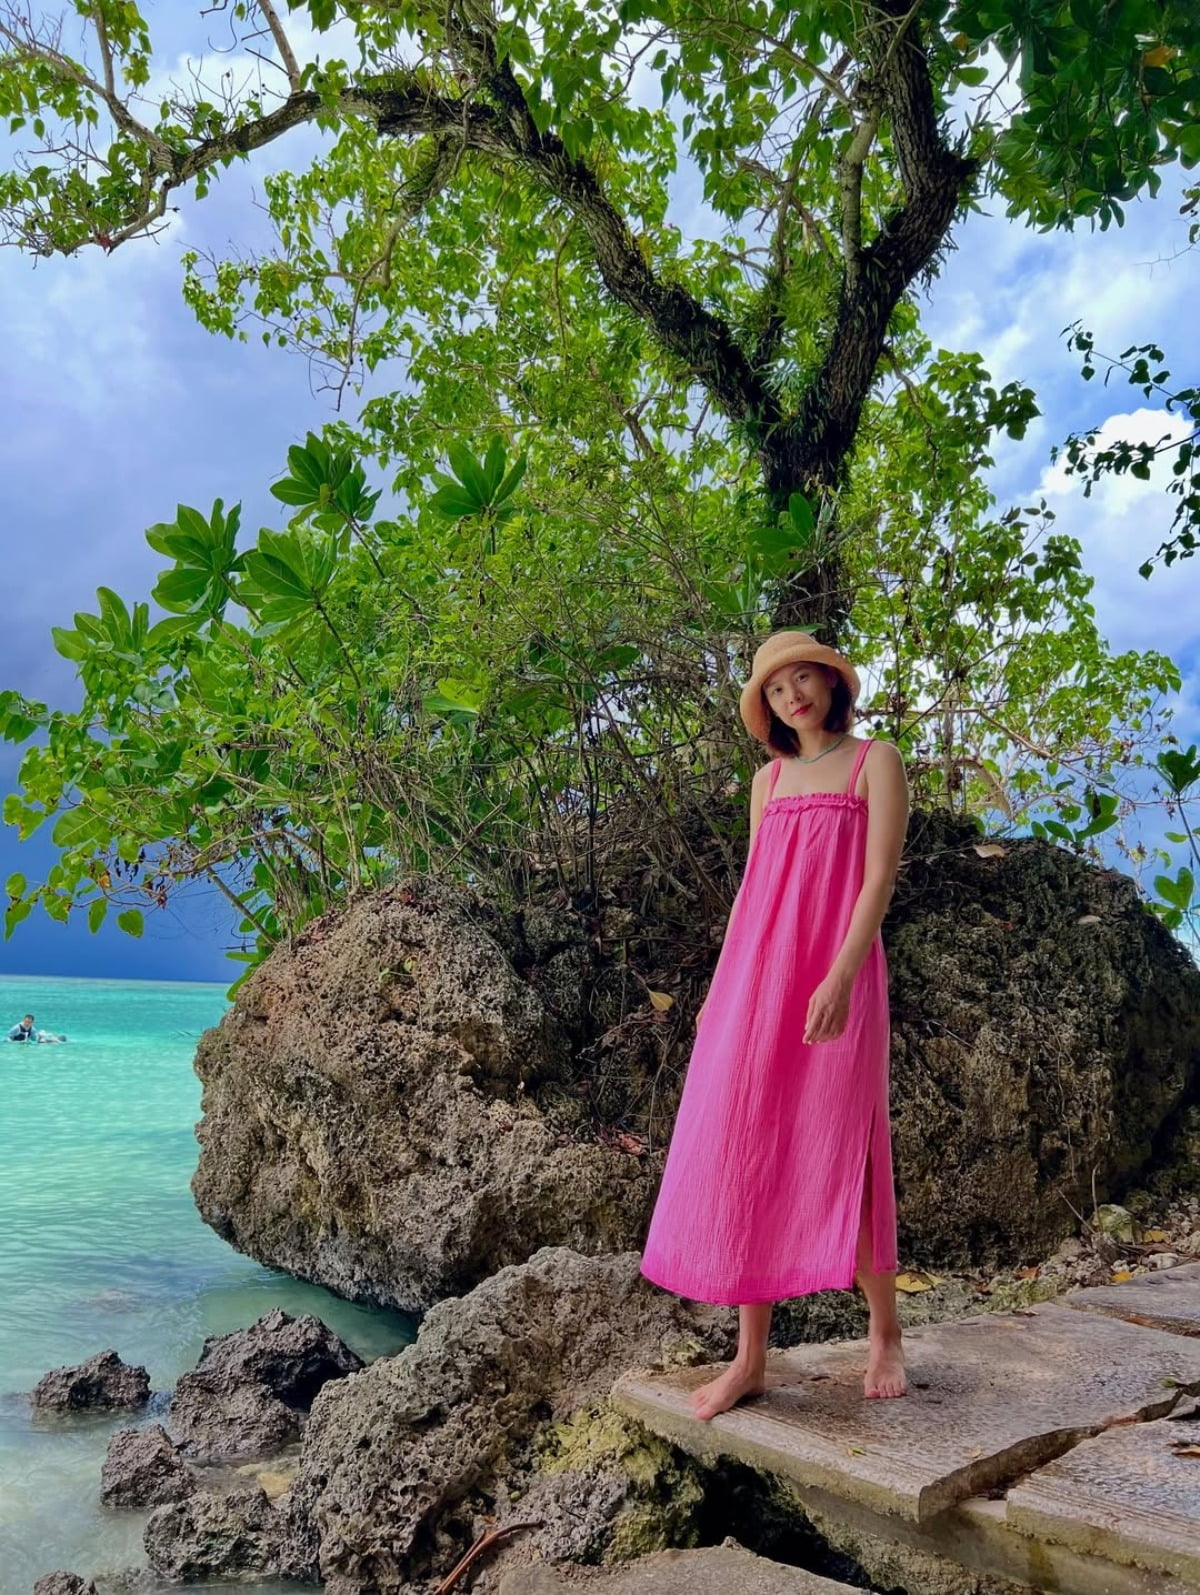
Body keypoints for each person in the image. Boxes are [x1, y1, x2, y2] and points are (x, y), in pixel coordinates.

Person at [640, 629, 910, 1420]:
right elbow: (755, 893)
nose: (794, 694)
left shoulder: (876, 762)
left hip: (839, 975)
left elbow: (879, 879)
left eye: (804, 678)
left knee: (851, 1143)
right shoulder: (768, 781)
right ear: (767, 705)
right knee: (746, 1144)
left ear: (831, 682)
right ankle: (750, 1358)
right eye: (777, 686)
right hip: (760, 979)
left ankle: (885, 1330)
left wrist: (841, 975)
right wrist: (721, 987)